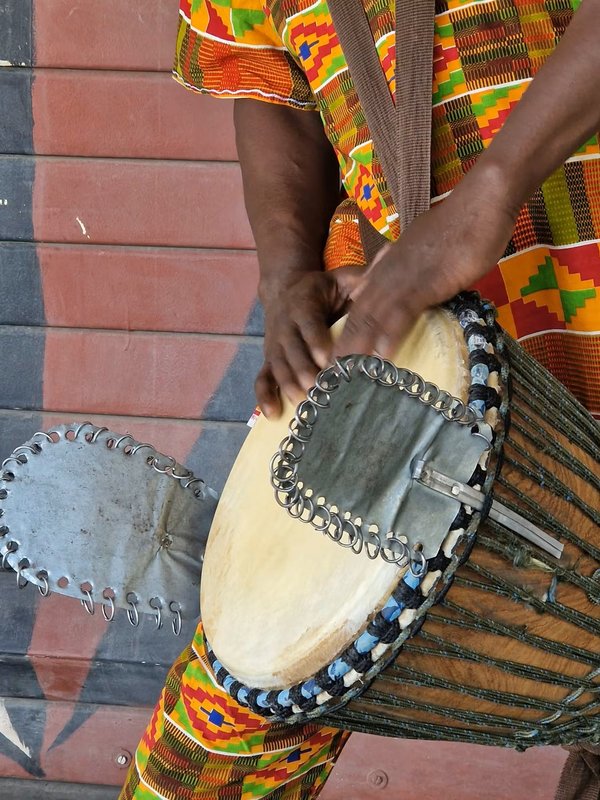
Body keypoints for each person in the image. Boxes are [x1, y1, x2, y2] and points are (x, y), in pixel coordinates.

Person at [119, 2, 600, 798]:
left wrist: (491, 191)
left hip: (569, 257)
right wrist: (283, 272)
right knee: (243, 704)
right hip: (399, 321)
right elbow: (269, 70)